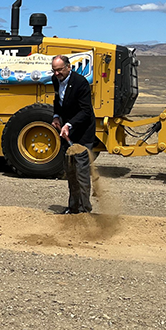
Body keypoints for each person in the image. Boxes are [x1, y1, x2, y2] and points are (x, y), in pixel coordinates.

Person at [51, 54, 96, 214]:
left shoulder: (80, 83)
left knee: (81, 170)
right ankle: (73, 207)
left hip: (82, 132)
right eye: (54, 70)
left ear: (68, 67)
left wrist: (69, 125)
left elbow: (86, 111)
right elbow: (58, 101)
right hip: (67, 131)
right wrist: (56, 117)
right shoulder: (55, 79)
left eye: (60, 70)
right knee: (70, 169)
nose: (57, 74)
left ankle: (85, 209)